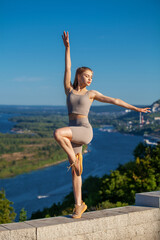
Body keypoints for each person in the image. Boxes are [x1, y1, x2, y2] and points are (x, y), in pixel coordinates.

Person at [54, 31, 151, 219]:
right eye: (87, 75)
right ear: (79, 76)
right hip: (73, 132)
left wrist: (136, 109)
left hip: (84, 130)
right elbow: (67, 67)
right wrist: (67, 48)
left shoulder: (91, 94)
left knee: (58, 133)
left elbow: (114, 100)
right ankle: (79, 205)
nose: (90, 79)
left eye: (92, 76)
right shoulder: (69, 89)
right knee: (75, 174)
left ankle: (74, 160)